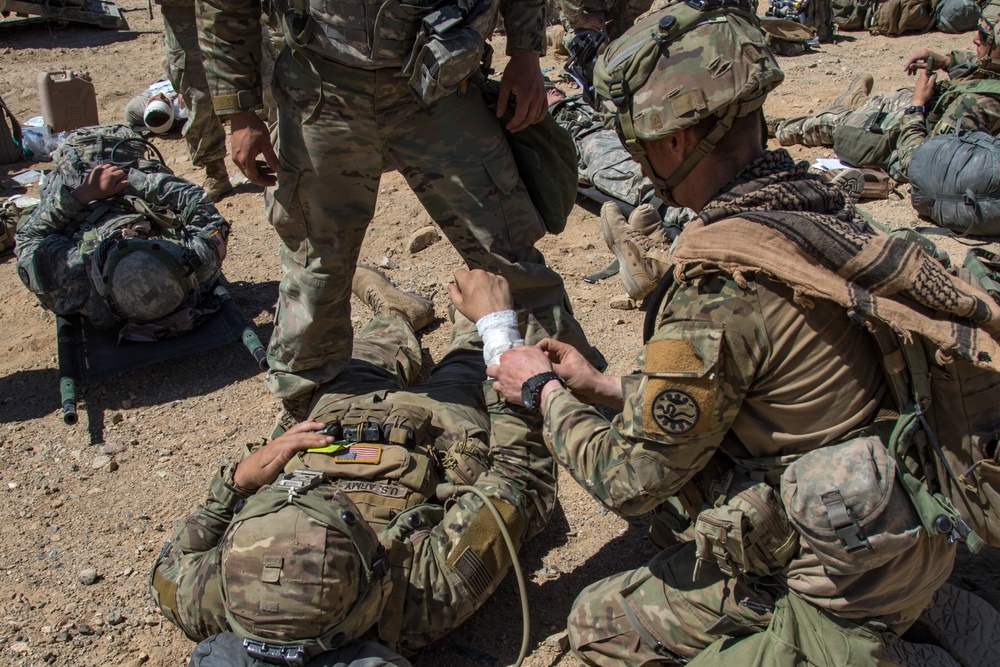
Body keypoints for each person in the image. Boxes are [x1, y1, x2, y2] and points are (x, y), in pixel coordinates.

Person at [486, 4, 985, 664]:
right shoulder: (814, 208)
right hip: (901, 514)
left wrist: (544, 391)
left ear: (675, 142)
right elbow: (752, 385)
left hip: (841, 578)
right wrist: (603, 385)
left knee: (598, 622)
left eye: (635, 141)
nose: (636, 158)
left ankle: (862, 644)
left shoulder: (721, 290)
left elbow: (628, 478)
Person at [197, 0, 599, 418]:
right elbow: (224, 5)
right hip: (323, 88)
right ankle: (307, 398)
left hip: (440, 80)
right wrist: (239, 109)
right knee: (317, 258)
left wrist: (526, 53)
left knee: (505, 249)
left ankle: (566, 389)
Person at [149, 268, 556, 662]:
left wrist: (238, 482)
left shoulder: (217, 598)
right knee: (482, 343)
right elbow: (517, 483)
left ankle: (396, 313)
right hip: (440, 433)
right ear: (372, 580)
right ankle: (470, 317)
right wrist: (498, 333)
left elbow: (167, 572)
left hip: (331, 428)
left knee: (362, 359)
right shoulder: (417, 599)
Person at [15, 128, 229, 336]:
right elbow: (196, 200)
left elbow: (27, 237)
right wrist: (130, 179)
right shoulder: (198, 263)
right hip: (128, 157)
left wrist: (82, 194)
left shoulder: (76, 276)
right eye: (143, 238)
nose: (130, 233)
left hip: (76, 163)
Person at [771, 18, 1000, 181]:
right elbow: (980, 64)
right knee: (889, 99)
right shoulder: (993, 72)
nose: (975, 40)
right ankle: (857, 101)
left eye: (984, 37)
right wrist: (946, 61)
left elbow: (919, 163)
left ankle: (776, 126)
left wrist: (917, 105)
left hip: (908, 134)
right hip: (925, 110)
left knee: (834, 124)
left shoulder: (977, 107)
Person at [154, 0, 232, 200]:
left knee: (267, 75)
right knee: (196, 92)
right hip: (181, 7)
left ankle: (287, 160)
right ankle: (216, 170)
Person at [124, 79, 188, 134]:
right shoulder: (182, 109)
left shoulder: (133, 110)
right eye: (165, 100)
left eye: (153, 99)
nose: (160, 95)